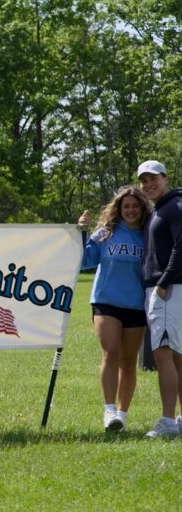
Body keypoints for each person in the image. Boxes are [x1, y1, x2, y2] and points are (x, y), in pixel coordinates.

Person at [77, 186, 151, 432]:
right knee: (111, 352)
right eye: (126, 206)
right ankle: (108, 410)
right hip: (106, 302)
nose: (130, 210)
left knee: (129, 362)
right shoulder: (105, 233)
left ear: (142, 209)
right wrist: (82, 231)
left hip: (135, 305)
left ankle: (122, 415)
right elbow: (85, 261)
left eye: (135, 206)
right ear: (119, 209)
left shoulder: (148, 235)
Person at [136, 160, 182, 438]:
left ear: (166, 178)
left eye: (153, 179)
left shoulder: (175, 207)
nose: (148, 184)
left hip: (168, 289)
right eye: (144, 181)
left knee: (163, 354)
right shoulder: (162, 208)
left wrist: (163, 284)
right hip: (169, 289)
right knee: (177, 356)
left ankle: (167, 423)